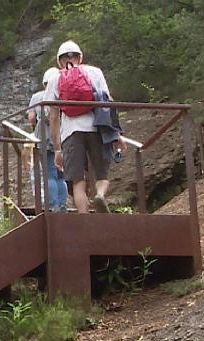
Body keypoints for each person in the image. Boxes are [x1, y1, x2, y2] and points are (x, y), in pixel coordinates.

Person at [48, 40, 126, 213]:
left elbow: (53, 117)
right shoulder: (95, 72)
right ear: (80, 57)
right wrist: (117, 134)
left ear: (59, 61)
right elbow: (108, 103)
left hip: (71, 133)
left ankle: (84, 219)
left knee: (77, 181)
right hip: (97, 129)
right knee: (102, 174)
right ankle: (99, 194)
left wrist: (57, 149)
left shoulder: (55, 78)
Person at [28, 67, 69, 212]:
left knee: (49, 174)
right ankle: (63, 204)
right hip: (61, 136)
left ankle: (53, 205)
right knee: (61, 175)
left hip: (43, 137)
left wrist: (35, 127)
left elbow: (31, 118)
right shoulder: (64, 95)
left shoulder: (37, 97)